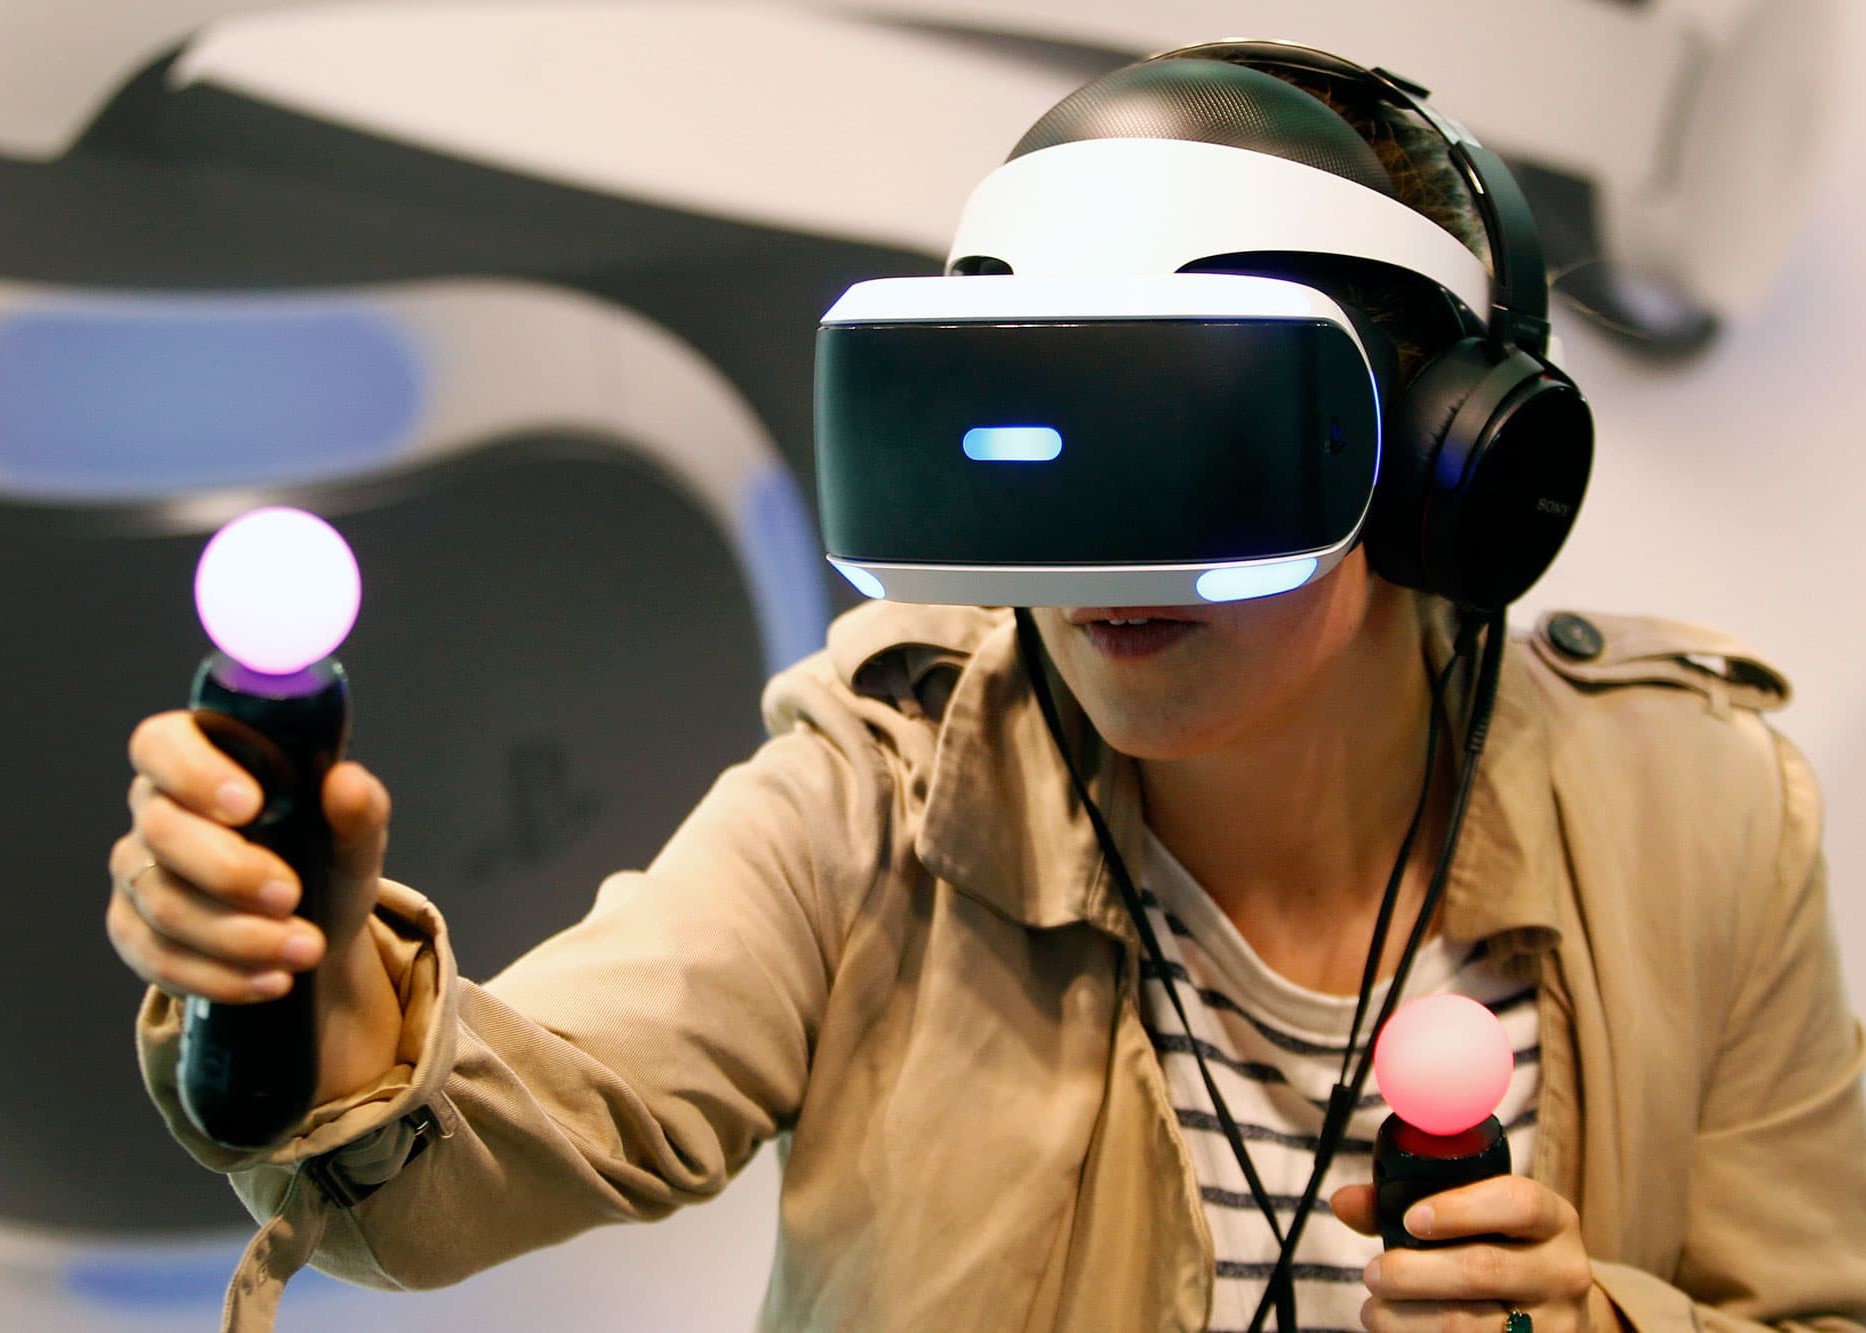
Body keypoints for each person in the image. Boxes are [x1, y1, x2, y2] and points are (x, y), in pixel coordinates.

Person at [107, 41, 1866, 1333]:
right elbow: (508, 1136)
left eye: (1180, 442)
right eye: (1046, 445)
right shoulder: (881, 788)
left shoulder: (1698, 818)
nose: (1095, 567)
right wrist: (315, 999)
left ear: (1438, 464)